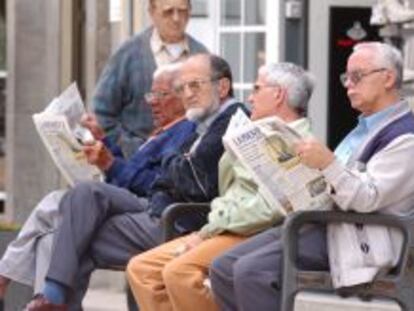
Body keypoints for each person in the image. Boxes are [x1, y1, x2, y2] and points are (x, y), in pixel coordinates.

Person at [25, 53, 246, 311]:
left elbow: (191, 178)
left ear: (222, 86)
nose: (187, 94)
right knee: (77, 214)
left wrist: (159, 163)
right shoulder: (198, 122)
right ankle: (52, 298)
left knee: (75, 227)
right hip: (157, 205)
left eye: (194, 85)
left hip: (179, 218)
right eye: (182, 88)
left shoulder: (224, 121)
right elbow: (170, 171)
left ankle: (48, 296)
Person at [209, 41, 414, 311]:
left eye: (357, 76)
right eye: (346, 77)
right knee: (222, 267)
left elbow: (367, 197)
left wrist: (327, 163)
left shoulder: (405, 137)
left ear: (388, 78)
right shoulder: (364, 128)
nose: (348, 85)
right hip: (325, 222)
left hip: (357, 237)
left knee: (251, 272)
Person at [0, 63, 193, 311]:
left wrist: (111, 164)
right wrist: (103, 141)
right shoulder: (160, 132)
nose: (152, 102)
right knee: (53, 236)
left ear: (182, 96)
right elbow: (130, 171)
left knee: (71, 198)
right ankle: (48, 300)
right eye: (150, 94)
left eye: (161, 95)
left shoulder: (185, 131)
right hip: (129, 201)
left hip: (152, 206)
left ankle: (14, 279)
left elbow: (156, 183)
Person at [126, 62, 315, 311]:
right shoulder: (259, 134)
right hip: (225, 226)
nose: (249, 97)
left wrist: (207, 232)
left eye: (257, 88)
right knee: (142, 269)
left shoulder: (296, 143)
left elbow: (268, 210)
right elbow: (234, 191)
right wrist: (209, 229)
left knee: (179, 272)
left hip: (253, 233)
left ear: (278, 94)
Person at [93, 0, 207, 156]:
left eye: (182, 11)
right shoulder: (128, 55)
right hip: (134, 165)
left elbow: (213, 113)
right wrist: (131, 148)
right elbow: (102, 112)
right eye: (168, 11)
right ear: (152, 12)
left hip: (185, 166)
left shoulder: (203, 58)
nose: (176, 18)